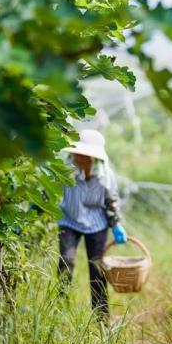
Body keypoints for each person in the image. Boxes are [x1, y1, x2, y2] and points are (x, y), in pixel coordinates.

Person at [57, 129, 127, 321]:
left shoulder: (105, 175)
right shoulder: (65, 170)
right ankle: (58, 309)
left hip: (96, 223)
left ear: (93, 157)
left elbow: (110, 200)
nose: (79, 157)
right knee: (66, 261)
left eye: (84, 155)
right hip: (69, 220)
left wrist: (116, 224)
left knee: (97, 268)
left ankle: (101, 316)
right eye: (77, 153)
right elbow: (48, 192)